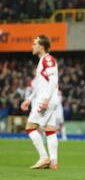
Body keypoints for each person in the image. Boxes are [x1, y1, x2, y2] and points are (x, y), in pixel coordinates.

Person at [20, 35, 60, 170]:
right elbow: (39, 86)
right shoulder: (42, 61)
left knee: (30, 127)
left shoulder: (47, 59)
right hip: (49, 99)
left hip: (45, 100)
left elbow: (54, 80)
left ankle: (44, 158)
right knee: (50, 130)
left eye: (34, 43)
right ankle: (54, 162)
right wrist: (29, 99)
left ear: (41, 46)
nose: (32, 46)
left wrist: (46, 100)